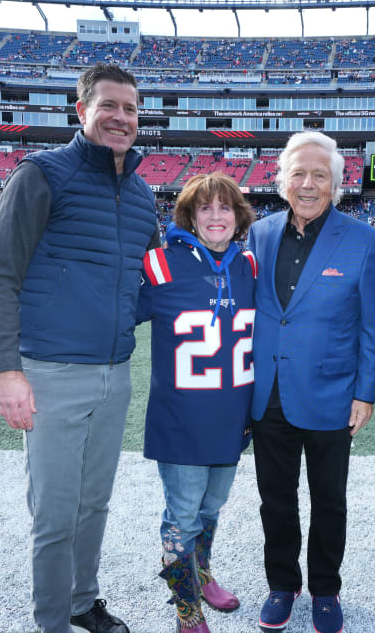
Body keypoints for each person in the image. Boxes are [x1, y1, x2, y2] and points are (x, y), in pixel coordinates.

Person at [0, 63, 158, 633]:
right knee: (54, 515)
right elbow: (0, 275)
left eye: (130, 109)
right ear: (80, 111)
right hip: (51, 371)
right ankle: (52, 621)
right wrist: (7, 371)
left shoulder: (141, 192)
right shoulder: (41, 175)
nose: (120, 118)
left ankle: (83, 601)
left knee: (94, 505)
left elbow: (150, 284)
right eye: (109, 106)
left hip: (115, 371)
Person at [245, 130, 375, 633]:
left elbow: (372, 327)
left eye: (319, 175)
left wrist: (366, 392)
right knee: (275, 500)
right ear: (281, 178)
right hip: (269, 395)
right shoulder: (259, 234)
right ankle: (282, 584)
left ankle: (326, 589)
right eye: (298, 173)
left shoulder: (366, 240)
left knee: (330, 501)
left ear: (337, 183)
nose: (308, 184)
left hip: (331, 394)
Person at [136, 174, 258, 632]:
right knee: (183, 517)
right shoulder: (162, 265)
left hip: (232, 419)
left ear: (238, 216)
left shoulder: (250, 266)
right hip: (181, 421)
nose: (215, 216)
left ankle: (200, 574)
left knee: (210, 510)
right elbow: (116, 312)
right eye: (204, 208)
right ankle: (187, 610)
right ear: (188, 215)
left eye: (224, 207)